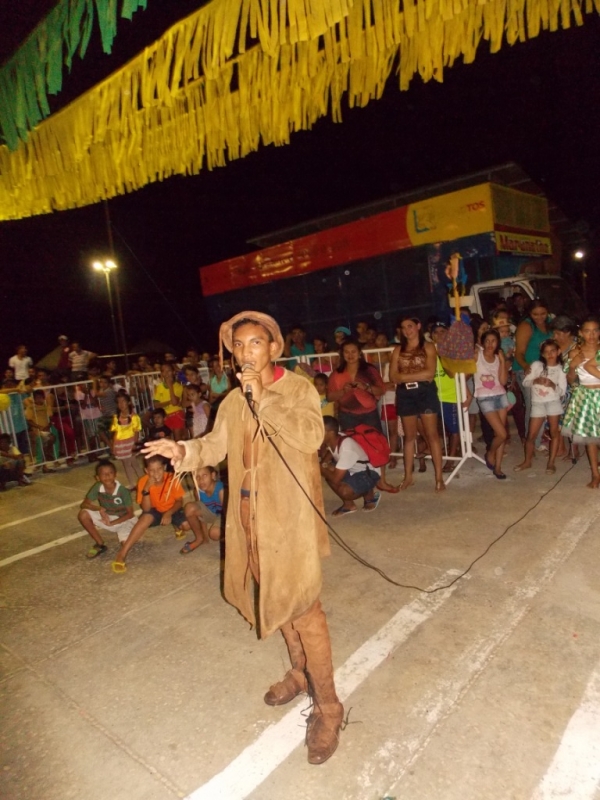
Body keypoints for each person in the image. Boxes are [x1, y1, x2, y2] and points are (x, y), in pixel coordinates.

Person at [142, 311, 344, 765]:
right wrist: (183, 451)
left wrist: (263, 399)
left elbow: (312, 437)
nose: (245, 353)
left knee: (305, 608)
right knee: (273, 597)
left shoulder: (296, 389)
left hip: (289, 517)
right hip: (249, 516)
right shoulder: (233, 401)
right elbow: (214, 446)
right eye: (238, 345)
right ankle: (298, 672)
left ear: (274, 348)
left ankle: (329, 707)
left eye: (255, 343)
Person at [327, 338, 397, 493]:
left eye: (353, 351)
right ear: (342, 354)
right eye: (346, 352)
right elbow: (330, 396)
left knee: (377, 445)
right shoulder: (337, 374)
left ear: (359, 353)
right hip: (347, 415)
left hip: (368, 413)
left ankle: (382, 481)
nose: (350, 355)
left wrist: (366, 387)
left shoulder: (369, 370)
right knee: (353, 448)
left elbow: (381, 390)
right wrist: (343, 391)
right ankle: (362, 482)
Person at [111, 455, 204, 570]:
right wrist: (146, 490)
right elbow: (146, 509)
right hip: (155, 510)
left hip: (172, 508)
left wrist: (169, 513)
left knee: (186, 525)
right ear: (146, 471)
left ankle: (176, 526)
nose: (156, 473)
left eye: (159, 469)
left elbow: (179, 501)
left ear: (164, 467)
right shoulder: (143, 481)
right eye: (152, 470)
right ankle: (122, 553)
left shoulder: (172, 478)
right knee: (144, 519)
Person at [389, 317, 445, 491]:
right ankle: (408, 477)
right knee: (409, 436)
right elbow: (393, 377)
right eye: (404, 327)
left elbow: (429, 373)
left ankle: (439, 478)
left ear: (418, 327)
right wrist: (412, 377)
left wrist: (404, 377)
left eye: (410, 326)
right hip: (406, 394)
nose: (407, 330)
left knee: (432, 435)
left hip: (425, 392)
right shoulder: (398, 349)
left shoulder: (428, 347)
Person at [514, 339, 566, 474]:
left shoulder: (561, 369)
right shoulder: (537, 365)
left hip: (553, 403)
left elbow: (563, 391)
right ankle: (527, 461)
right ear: (542, 354)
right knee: (531, 434)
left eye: (553, 351)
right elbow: (525, 382)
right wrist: (535, 380)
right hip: (538, 403)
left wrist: (553, 385)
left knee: (554, 433)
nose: (550, 354)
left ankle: (551, 463)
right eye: (546, 352)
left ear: (558, 352)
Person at [562, 317, 600, 488]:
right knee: (590, 438)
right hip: (585, 397)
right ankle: (595, 473)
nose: (591, 335)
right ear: (580, 333)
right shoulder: (574, 352)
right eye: (587, 331)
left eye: (595, 330)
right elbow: (570, 381)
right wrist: (572, 366)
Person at [469, 329, 509, 479]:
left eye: (493, 341)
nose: (490, 344)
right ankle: (490, 453)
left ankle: (498, 467)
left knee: (502, 435)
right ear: (483, 342)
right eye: (487, 341)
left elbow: (503, 381)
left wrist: (503, 361)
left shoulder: (499, 357)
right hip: (485, 398)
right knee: (501, 434)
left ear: (498, 342)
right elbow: (466, 370)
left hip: (501, 396)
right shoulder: (477, 355)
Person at [320, 416, 381, 515]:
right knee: (328, 471)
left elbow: (335, 479)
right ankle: (349, 505)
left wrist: (320, 467)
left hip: (368, 472)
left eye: (320, 431)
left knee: (345, 491)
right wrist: (324, 463)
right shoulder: (335, 437)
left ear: (330, 433)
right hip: (353, 469)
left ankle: (369, 493)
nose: (315, 434)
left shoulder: (346, 448)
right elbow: (332, 451)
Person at [78, 460, 137, 558]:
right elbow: (84, 504)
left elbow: (130, 514)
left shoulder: (122, 491)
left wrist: (112, 523)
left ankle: (133, 534)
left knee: (125, 546)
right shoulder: (98, 487)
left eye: (110, 473)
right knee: (83, 514)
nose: (107, 476)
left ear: (115, 475)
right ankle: (100, 544)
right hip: (108, 517)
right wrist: (99, 508)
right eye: (103, 474)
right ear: (97, 478)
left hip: (125, 520)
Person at [512, 299, 551, 440]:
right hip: (526, 369)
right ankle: (531, 441)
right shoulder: (526, 326)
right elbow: (519, 353)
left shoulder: (549, 324)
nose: (540, 317)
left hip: (544, 369)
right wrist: (526, 366)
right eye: (536, 314)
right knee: (533, 404)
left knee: (544, 404)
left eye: (543, 313)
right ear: (530, 313)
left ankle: (537, 437)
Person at [180, 465, 225, 552]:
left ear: (213, 475)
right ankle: (198, 539)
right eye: (197, 477)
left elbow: (229, 515)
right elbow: (200, 516)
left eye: (204, 475)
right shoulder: (198, 491)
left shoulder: (221, 490)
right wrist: (205, 537)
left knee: (214, 533)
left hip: (223, 515)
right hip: (211, 513)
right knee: (189, 508)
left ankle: (226, 539)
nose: (201, 480)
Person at [110, 393, 143, 490]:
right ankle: (132, 483)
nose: (121, 404)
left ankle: (143, 481)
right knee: (125, 464)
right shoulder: (116, 417)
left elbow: (136, 431)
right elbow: (115, 432)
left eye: (123, 401)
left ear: (128, 402)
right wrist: (113, 445)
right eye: (119, 402)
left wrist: (135, 444)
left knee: (133, 462)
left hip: (130, 442)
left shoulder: (134, 417)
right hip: (121, 444)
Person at [153, 362, 186, 441]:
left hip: (176, 415)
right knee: (168, 440)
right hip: (165, 417)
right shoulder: (159, 387)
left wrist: (170, 386)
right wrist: (169, 402)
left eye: (169, 371)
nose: (167, 373)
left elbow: (174, 402)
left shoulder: (178, 386)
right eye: (164, 371)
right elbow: (156, 405)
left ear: (173, 372)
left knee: (178, 440)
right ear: (162, 373)